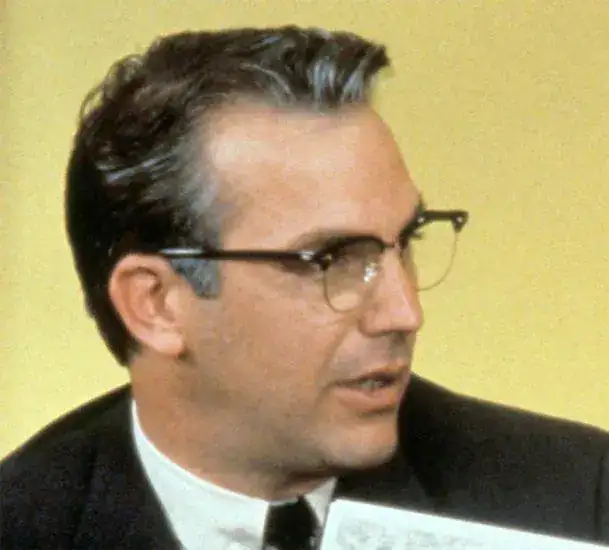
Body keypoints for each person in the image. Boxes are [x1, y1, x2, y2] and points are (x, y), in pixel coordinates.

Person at [1, 26, 608, 550]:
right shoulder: (23, 525)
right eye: (334, 259)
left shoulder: (574, 503)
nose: (404, 312)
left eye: (407, 240)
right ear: (155, 304)